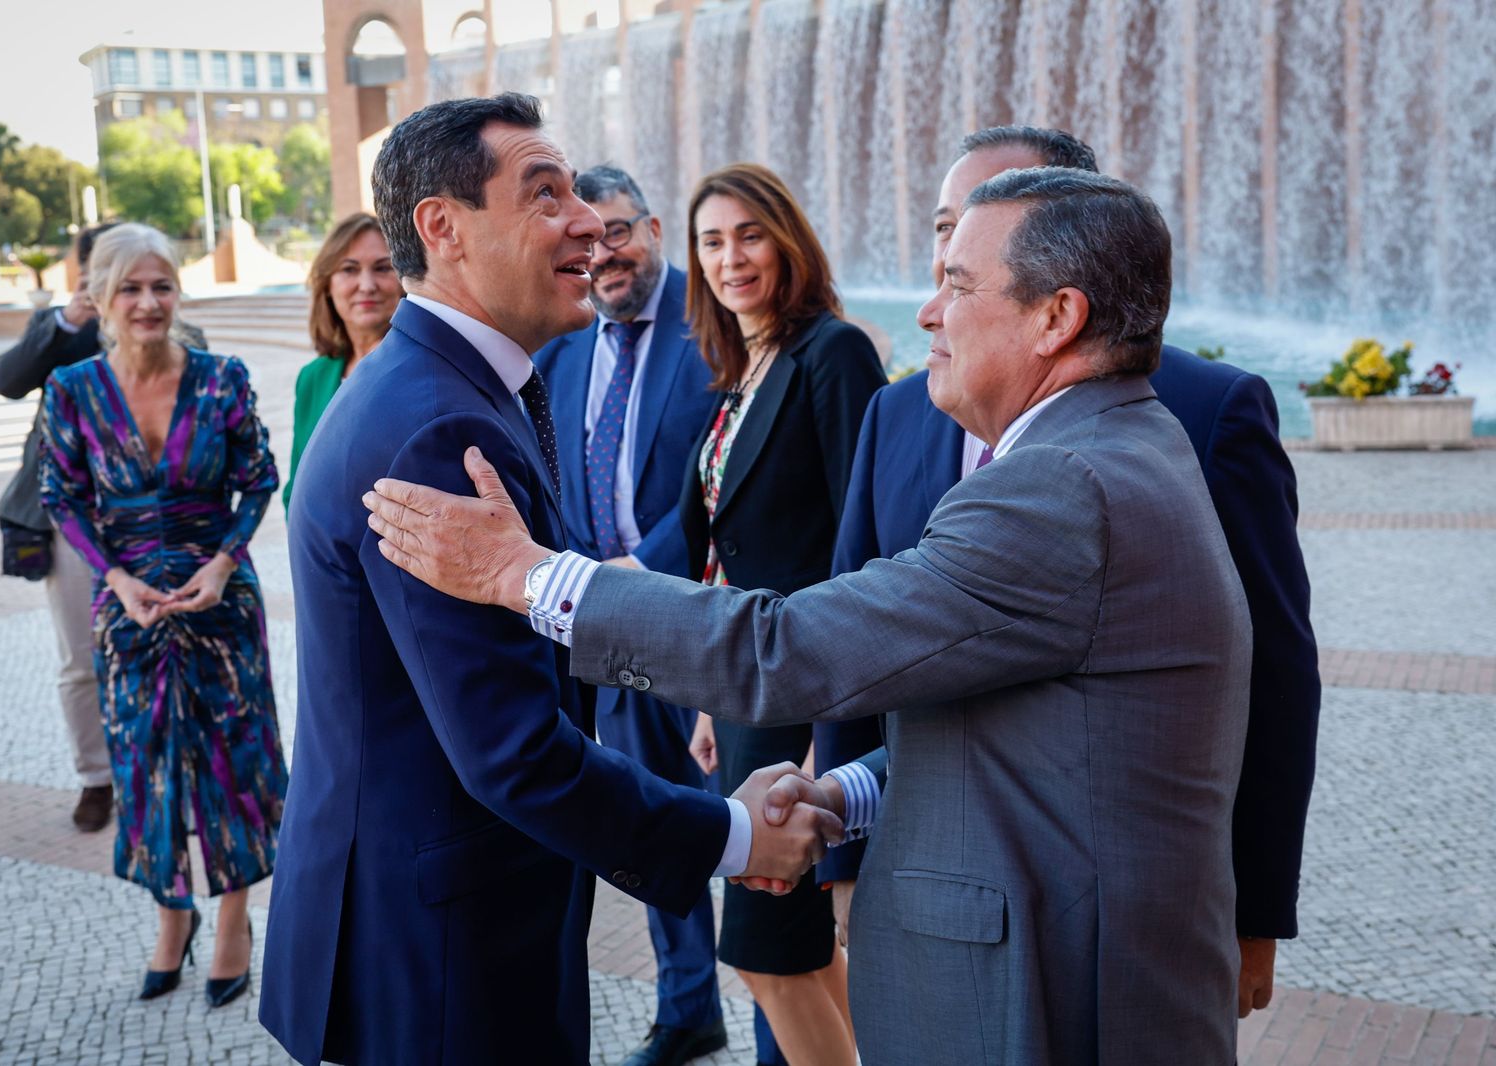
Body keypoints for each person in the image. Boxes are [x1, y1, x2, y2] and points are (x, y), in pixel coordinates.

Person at [366, 167, 1256, 1064]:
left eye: (957, 282)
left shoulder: (1062, 484)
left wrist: (532, 577)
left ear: (1056, 318)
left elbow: (787, 650)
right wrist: (847, 793)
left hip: (1058, 999)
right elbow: (1029, 721)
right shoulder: (1114, 443)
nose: (928, 313)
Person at [257, 94, 840, 1066]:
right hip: (441, 951)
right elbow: (512, 752)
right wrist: (736, 836)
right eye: (545, 195)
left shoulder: (449, 390)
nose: (584, 222)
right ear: (442, 228)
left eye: (577, 192)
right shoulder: (439, 429)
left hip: (436, 919)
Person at [815, 126, 1322, 1021]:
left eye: (988, 227)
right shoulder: (897, 410)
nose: (949, 259)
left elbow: (1270, 672)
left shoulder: (1204, 409)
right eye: (945, 228)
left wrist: (1250, 914)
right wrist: (848, 857)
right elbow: (853, 630)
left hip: (1114, 923)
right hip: (935, 882)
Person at [37, 222, 285, 1008]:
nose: (149, 302)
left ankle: (235, 920)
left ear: (178, 292)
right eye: (131, 289)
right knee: (145, 766)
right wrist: (113, 575)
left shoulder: (222, 378)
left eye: (162, 286)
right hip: (131, 612)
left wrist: (221, 565)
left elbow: (260, 478)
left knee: (236, 764)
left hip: (219, 605)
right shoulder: (71, 390)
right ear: (102, 299)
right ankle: (171, 914)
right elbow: (61, 496)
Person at [671, 162, 884, 1066]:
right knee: (797, 952)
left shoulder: (831, 354)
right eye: (712, 242)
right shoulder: (738, 371)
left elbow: (863, 552)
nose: (732, 258)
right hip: (747, 698)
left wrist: (820, 742)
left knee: (764, 955)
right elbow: (724, 555)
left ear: (787, 239)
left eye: (749, 235)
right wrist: (711, 703)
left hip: (803, 696)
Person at [533, 164, 729, 1066]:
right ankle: (689, 1007)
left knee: (748, 827)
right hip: (589, 628)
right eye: (587, 237)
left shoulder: (715, 322)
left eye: (618, 231)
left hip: (700, 621)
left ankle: (785, 1024)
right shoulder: (563, 341)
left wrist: (637, 573)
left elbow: (731, 486)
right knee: (645, 828)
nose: (602, 253)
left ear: (652, 227)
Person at [0, 222, 206, 832]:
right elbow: (7, 379)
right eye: (113, 280)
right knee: (81, 659)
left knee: (171, 646)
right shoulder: (62, 330)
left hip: (160, 518)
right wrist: (68, 323)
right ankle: (96, 778)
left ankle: (171, 771)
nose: (139, 297)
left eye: (153, 283)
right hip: (73, 519)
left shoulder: (173, 327)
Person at [283, 211, 402, 509]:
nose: (366, 285)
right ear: (327, 285)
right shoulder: (313, 377)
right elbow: (296, 490)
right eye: (349, 269)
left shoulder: (426, 369)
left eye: (383, 268)